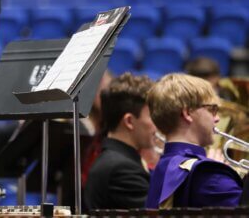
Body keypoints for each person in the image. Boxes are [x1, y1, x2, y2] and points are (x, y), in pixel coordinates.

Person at [145, 73, 243, 208]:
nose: (217, 119)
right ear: (188, 113)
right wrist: (220, 172)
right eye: (212, 109)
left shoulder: (162, 166)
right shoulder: (208, 173)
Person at [84, 72, 156, 211]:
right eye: (151, 115)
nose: (157, 123)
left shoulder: (114, 159)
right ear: (129, 121)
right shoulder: (123, 170)